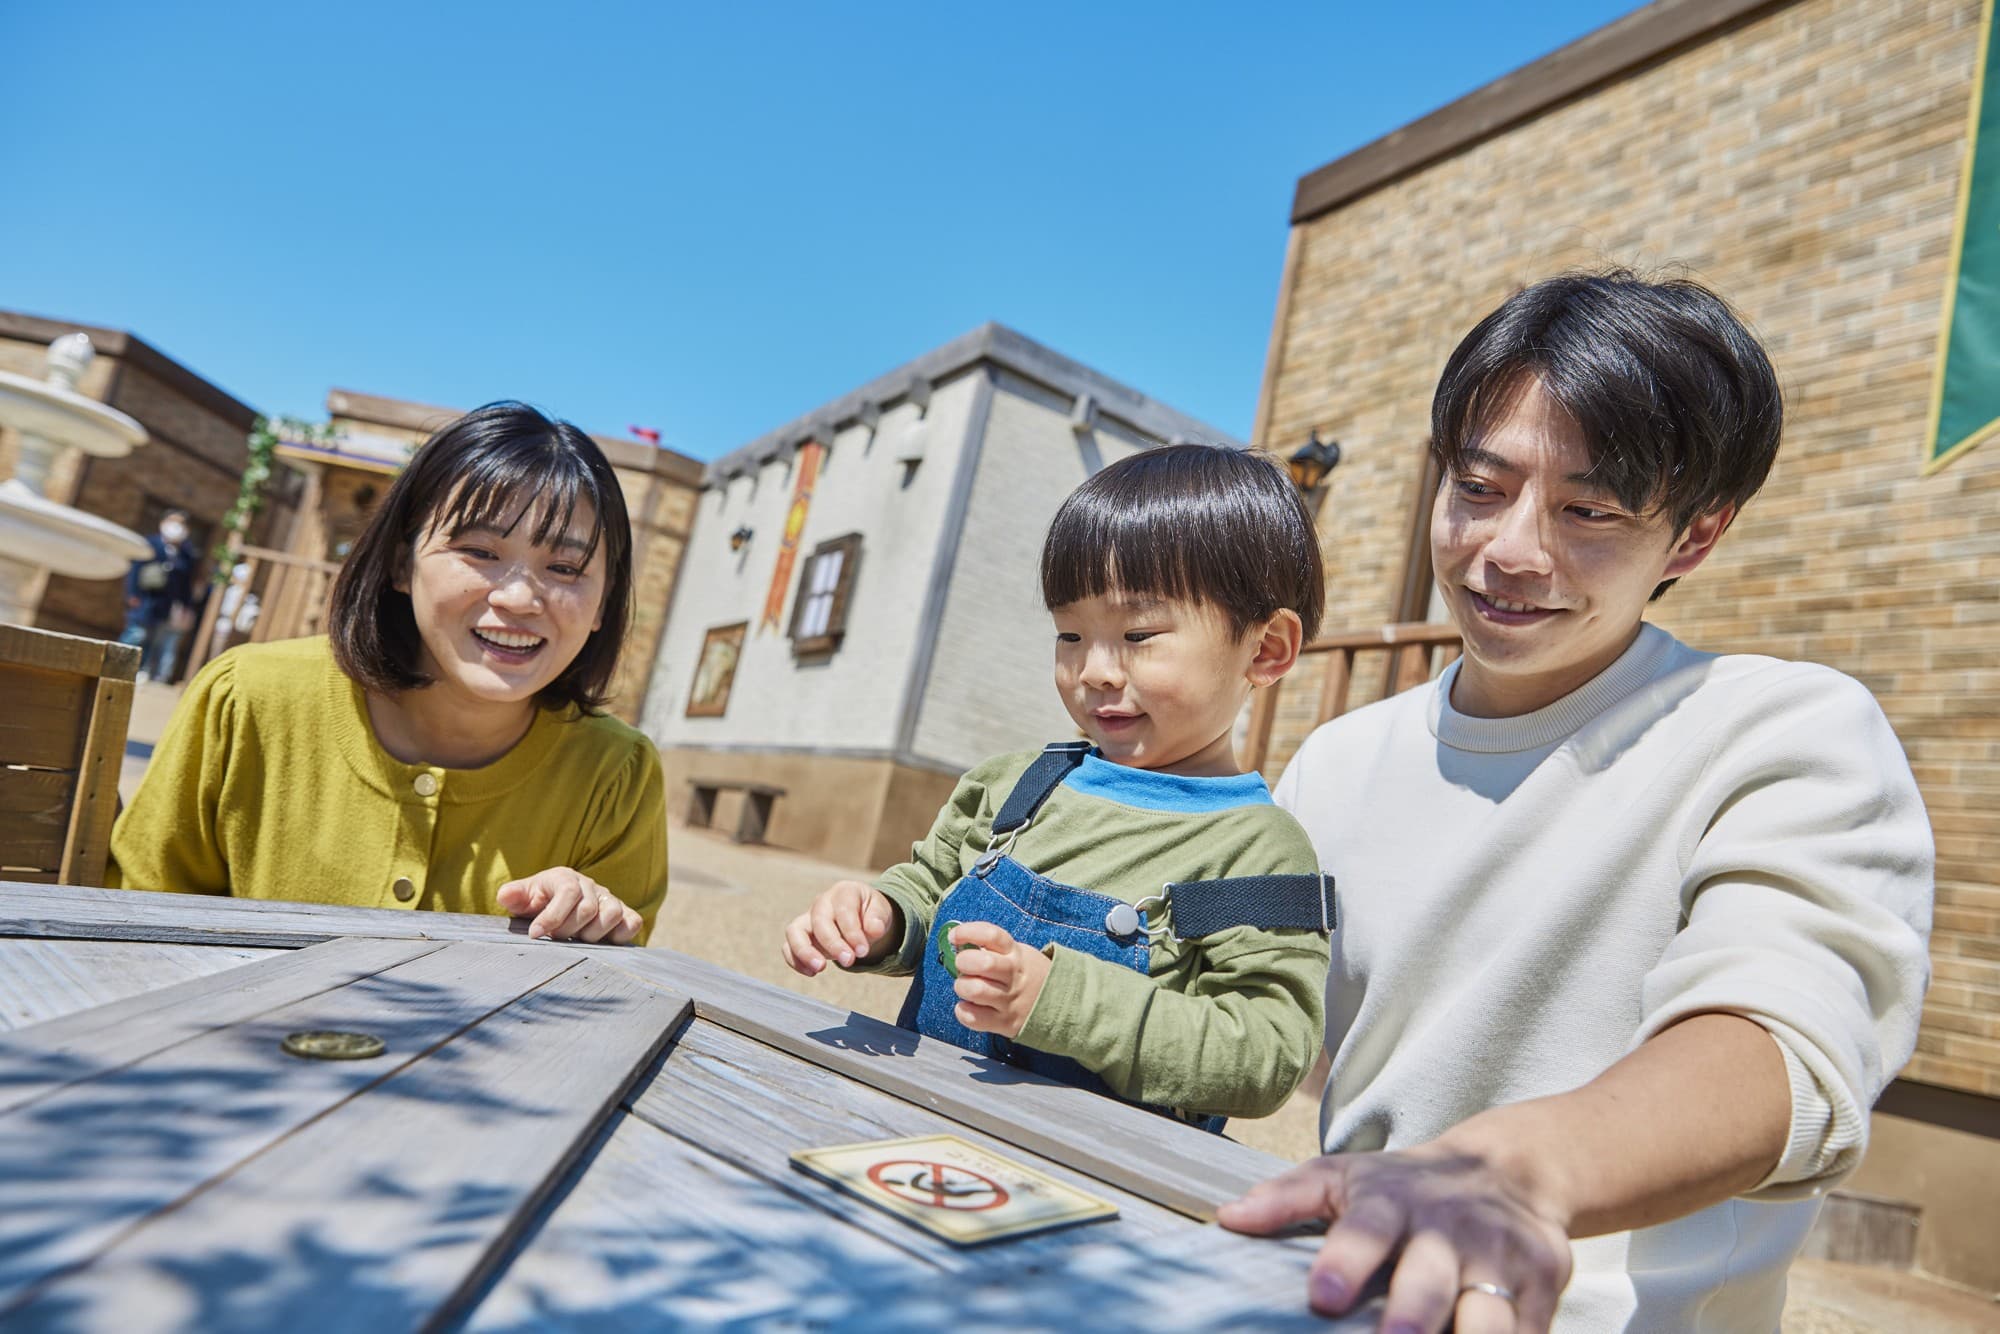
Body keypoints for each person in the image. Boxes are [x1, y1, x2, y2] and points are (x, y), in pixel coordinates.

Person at [1217, 272, 1933, 1332]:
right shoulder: (1337, 760)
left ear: (1693, 536)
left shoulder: (1782, 731)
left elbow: (1782, 1040)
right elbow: (1234, 1020)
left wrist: (1513, 1171)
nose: (1509, 550)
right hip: (1344, 1294)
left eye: (1586, 510)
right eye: (1477, 487)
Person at [782, 445, 1336, 1125]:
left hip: (1094, 1170)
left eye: (1139, 634)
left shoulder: (1258, 850)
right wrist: (881, 917)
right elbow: (928, 889)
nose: (1094, 670)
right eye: (1070, 635)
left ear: (1266, 648)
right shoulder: (1015, 787)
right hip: (919, 1128)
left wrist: (1065, 1001)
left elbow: (1267, 1052)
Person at [107, 402, 668, 945]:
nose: (519, 597)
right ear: (403, 562)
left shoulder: (618, 775)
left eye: (565, 567)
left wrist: (582, 925)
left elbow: (608, 992)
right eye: (480, 551)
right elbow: (133, 925)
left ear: (603, 603)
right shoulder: (246, 697)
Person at [123, 509, 199, 684]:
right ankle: (119, 665)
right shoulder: (150, 544)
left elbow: (186, 584)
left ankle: (139, 669)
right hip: (145, 600)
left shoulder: (185, 554)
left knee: (153, 638)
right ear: (163, 523)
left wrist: (186, 606)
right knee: (136, 634)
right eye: (173, 521)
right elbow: (135, 570)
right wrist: (132, 594)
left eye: (181, 523)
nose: (177, 527)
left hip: (165, 604)